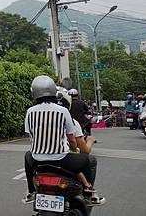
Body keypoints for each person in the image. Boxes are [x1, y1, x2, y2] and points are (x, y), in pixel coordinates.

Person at [22, 76, 105, 206]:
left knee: (27, 155)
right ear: (53, 91)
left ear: (34, 92)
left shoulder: (30, 112)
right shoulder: (63, 111)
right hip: (61, 159)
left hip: (37, 160)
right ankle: (88, 192)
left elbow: (31, 137)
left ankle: (31, 191)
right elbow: (72, 140)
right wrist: (74, 150)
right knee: (88, 160)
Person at [57, 88, 102, 204]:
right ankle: (87, 190)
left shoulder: (41, 118)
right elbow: (83, 149)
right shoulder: (71, 121)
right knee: (88, 160)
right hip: (64, 156)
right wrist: (90, 140)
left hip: (41, 159)